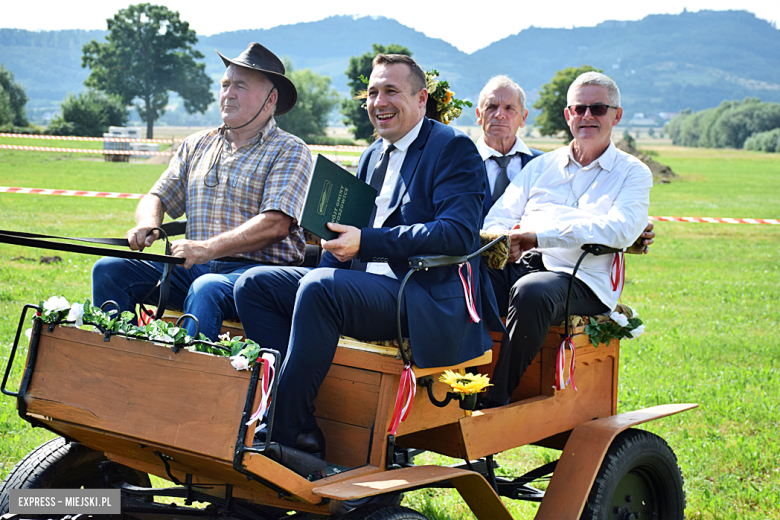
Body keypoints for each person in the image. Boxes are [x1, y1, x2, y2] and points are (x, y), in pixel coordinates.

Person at [233, 54, 502, 458]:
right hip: (364, 284)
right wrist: (332, 253)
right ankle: (301, 425)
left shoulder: (453, 148)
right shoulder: (371, 155)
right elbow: (347, 235)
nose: (379, 102)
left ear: (421, 99)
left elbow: (458, 234)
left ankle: (280, 434)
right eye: (373, 93)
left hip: (421, 294)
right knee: (255, 285)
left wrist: (368, 243)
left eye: (391, 91)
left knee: (322, 289)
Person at [91, 43, 313, 342]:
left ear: (270, 99)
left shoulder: (290, 149)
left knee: (207, 287)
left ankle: (187, 383)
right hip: (196, 268)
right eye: (225, 85)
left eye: (240, 86)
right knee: (108, 269)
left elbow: (275, 224)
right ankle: (115, 366)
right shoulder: (197, 144)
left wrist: (206, 248)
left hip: (256, 278)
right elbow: (156, 197)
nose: (228, 94)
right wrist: (148, 223)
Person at [481, 72, 652, 407]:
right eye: (579, 109)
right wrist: (508, 240)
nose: (587, 116)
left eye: (598, 109)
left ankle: (496, 396)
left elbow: (619, 229)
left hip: (582, 277)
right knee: (466, 273)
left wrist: (538, 235)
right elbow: (498, 217)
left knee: (532, 292)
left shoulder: (632, 172)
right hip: (527, 265)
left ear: (616, 115)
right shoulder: (542, 165)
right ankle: (460, 375)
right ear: (568, 115)